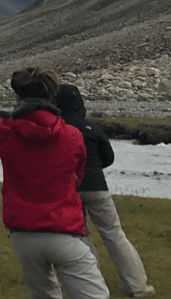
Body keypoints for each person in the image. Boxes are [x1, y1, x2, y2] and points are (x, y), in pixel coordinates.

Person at [0, 67, 110, 299]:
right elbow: (79, 176)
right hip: (65, 231)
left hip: (23, 235)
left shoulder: (4, 131)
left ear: (19, 96)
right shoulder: (73, 136)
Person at [57, 84, 155, 298]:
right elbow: (108, 157)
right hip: (97, 187)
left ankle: (93, 284)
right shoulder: (91, 126)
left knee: (81, 236)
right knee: (115, 235)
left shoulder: (57, 127)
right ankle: (138, 286)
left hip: (69, 189)